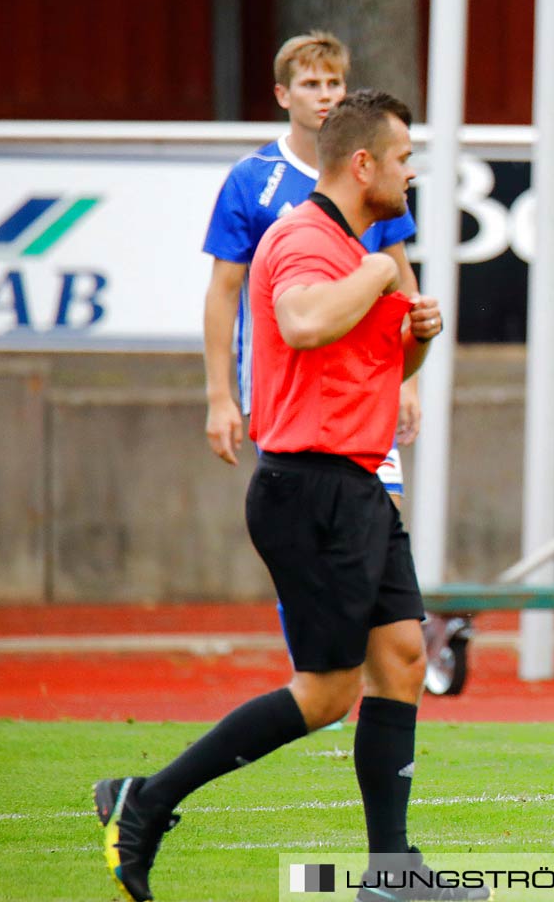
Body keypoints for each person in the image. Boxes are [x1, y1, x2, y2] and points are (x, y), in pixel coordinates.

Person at [95, 91, 486, 902]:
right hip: (312, 489)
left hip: (359, 483)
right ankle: (146, 799)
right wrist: (382, 272)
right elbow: (303, 323)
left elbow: (365, 368)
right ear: (364, 163)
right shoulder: (311, 240)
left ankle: (392, 874)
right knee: (328, 692)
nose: (413, 172)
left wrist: (412, 342)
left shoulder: (353, 246)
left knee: (405, 659)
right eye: (405, 157)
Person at [202, 33, 421, 495]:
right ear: (282, 94)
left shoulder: (371, 175)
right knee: (309, 512)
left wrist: (408, 382)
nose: (325, 95)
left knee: (379, 515)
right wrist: (219, 397)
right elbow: (224, 291)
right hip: (287, 384)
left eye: (334, 83)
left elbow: (400, 274)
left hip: (361, 380)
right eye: (311, 84)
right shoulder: (253, 179)